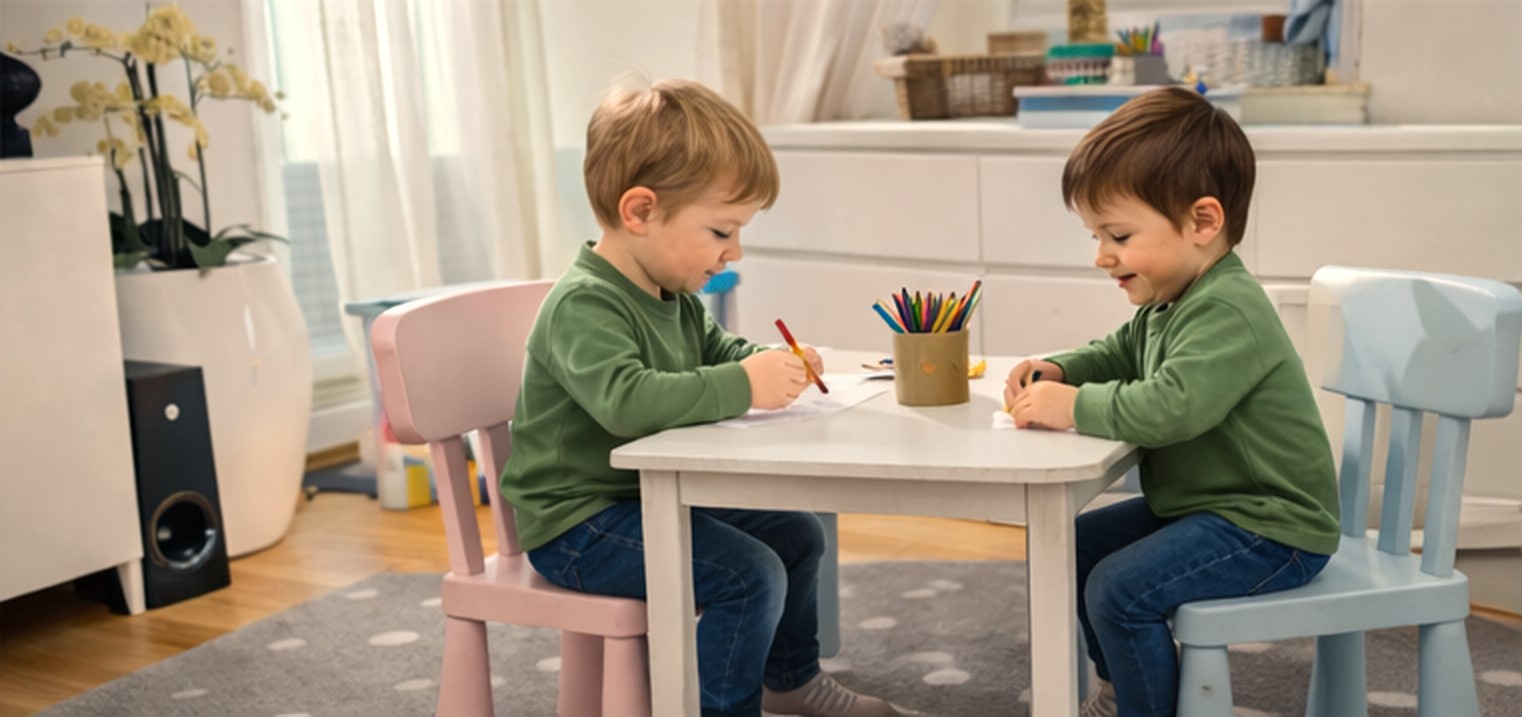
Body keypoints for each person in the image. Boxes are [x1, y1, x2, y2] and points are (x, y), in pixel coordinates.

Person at [501, 76, 915, 717]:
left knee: (797, 535)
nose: (734, 251)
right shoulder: (585, 303)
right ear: (640, 212)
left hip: (645, 502)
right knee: (746, 576)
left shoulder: (671, 296)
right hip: (578, 525)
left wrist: (768, 362)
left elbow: (718, 353)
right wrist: (744, 386)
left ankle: (791, 681)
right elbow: (627, 402)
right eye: (722, 231)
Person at [1001, 87, 1340, 717]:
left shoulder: (1228, 308)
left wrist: (1072, 405)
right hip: (1208, 509)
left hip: (1272, 526)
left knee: (1120, 590)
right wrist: (1060, 367)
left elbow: (1169, 407)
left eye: (1119, 234)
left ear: (1203, 222)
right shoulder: (1169, 301)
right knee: (1072, 548)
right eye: (1096, 234)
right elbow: (1119, 352)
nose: (1101, 254)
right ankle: (1122, 693)